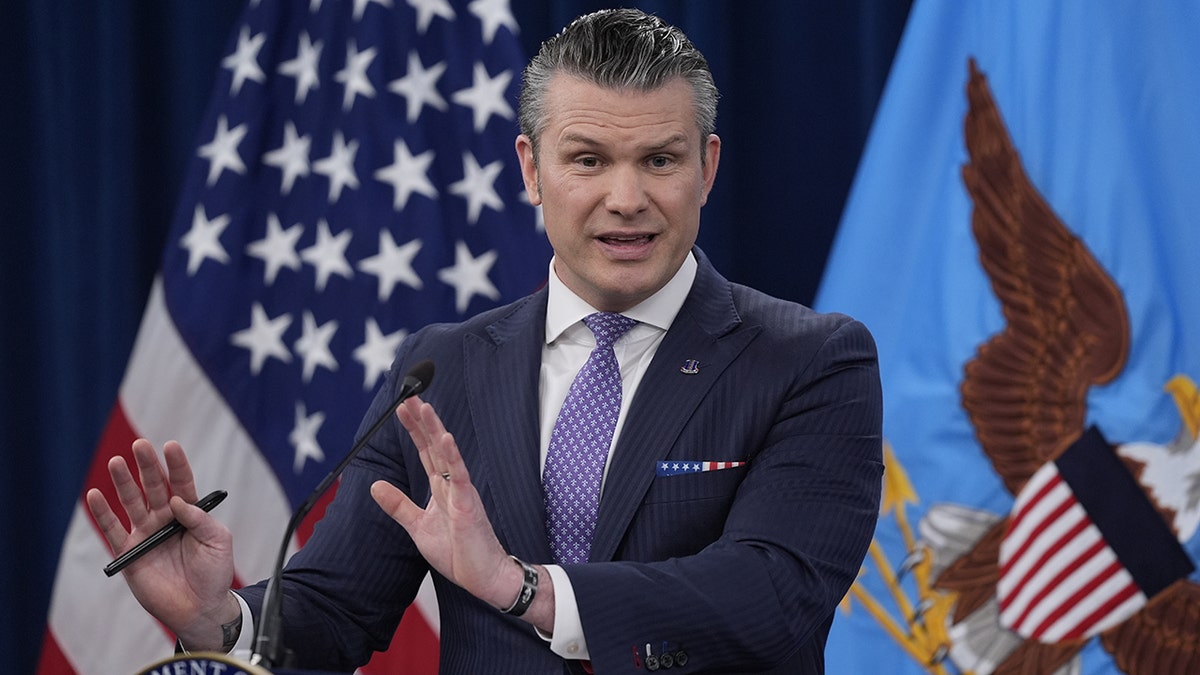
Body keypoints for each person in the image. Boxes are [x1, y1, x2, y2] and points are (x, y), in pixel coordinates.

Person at [87, 8, 883, 674]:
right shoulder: (443, 367)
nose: (627, 197)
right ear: (531, 170)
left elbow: (774, 597)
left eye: (660, 159)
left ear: (706, 169)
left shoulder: (810, 360)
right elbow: (334, 611)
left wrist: (521, 587)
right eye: (588, 159)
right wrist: (217, 614)